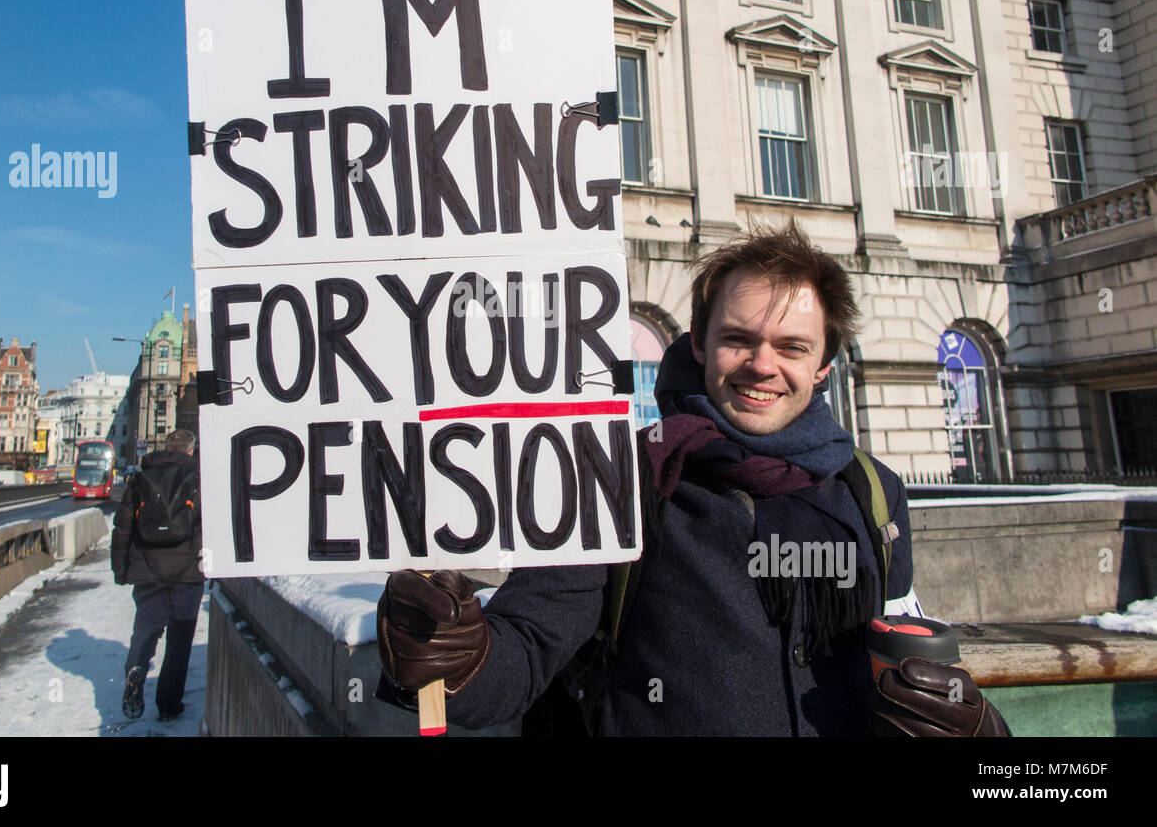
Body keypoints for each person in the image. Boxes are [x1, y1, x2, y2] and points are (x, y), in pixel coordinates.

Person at [376, 220, 1009, 736]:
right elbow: (524, 655)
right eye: (739, 340)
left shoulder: (871, 490)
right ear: (699, 346)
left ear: (823, 365)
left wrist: (978, 731)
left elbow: (905, 651)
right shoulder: (619, 476)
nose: (763, 366)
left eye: (792, 347)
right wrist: (456, 657)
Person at [112, 429, 205, 722]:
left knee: (147, 628)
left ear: (165, 448)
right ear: (191, 451)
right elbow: (207, 524)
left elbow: (123, 526)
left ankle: (137, 667)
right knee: (180, 640)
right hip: (188, 570)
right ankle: (168, 704)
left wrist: (121, 569)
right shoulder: (199, 478)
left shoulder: (141, 478)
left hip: (146, 567)